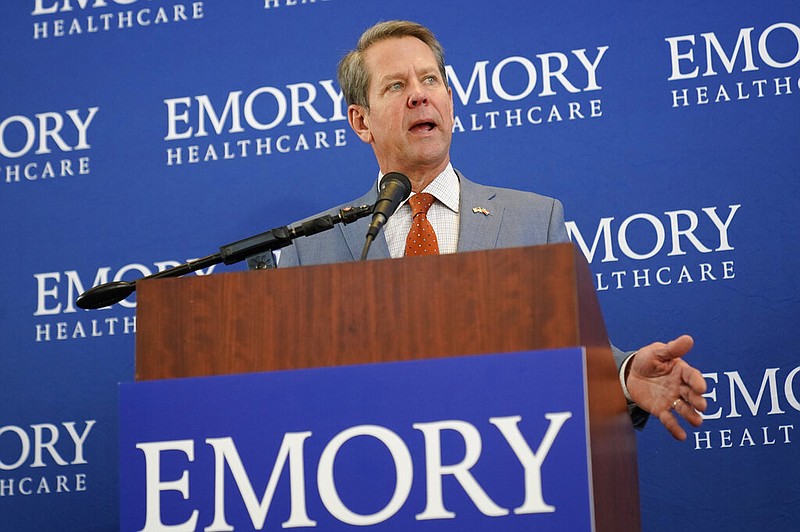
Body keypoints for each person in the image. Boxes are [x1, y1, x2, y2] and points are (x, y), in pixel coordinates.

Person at [249, 20, 707, 441]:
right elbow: (293, 393)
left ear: (449, 99)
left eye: (430, 80)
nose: (419, 95)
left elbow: (574, 351)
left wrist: (626, 375)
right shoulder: (311, 244)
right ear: (360, 121)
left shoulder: (534, 218)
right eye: (395, 86)